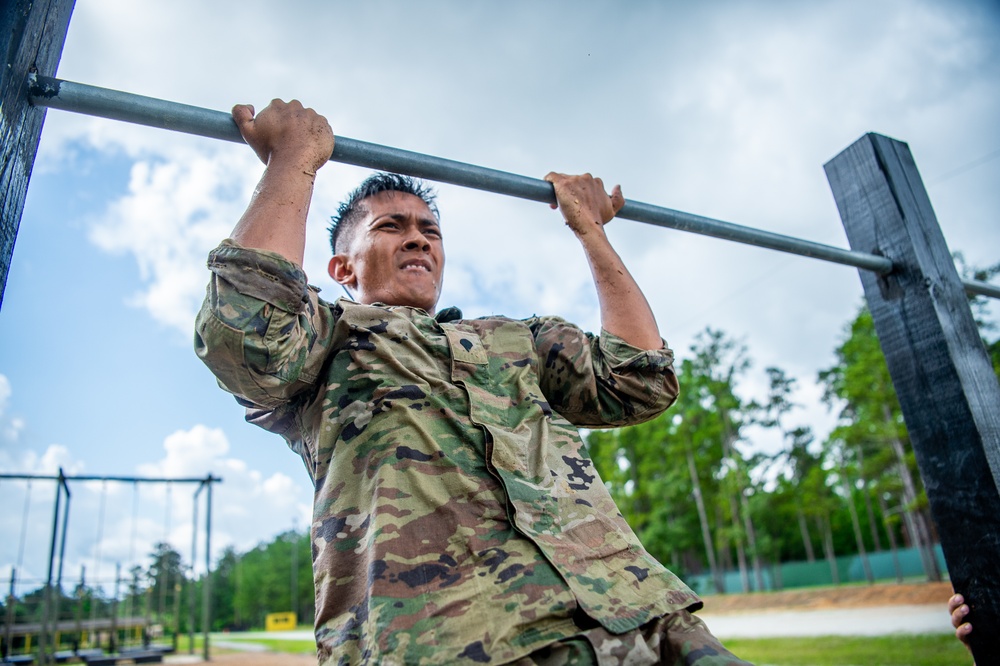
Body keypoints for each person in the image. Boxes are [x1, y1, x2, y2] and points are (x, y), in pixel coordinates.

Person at [195, 99, 749, 666]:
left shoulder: (516, 339)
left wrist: (589, 229)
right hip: (464, 645)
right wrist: (294, 160)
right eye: (392, 226)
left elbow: (637, 381)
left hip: (648, 621)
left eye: (429, 230)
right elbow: (245, 334)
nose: (419, 239)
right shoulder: (326, 337)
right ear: (343, 268)